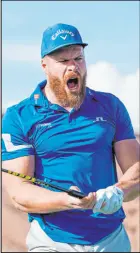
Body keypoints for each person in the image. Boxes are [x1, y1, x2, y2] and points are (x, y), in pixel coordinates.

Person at [2, 23, 139, 252]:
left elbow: (136, 171)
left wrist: (118, 192)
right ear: (44, 65)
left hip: (111, 239)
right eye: (63, 61)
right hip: (52, 242)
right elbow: (19, 193)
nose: (73, 66)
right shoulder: (19, 117)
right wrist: (67, 201)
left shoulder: (110, 106)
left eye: (78, 58)